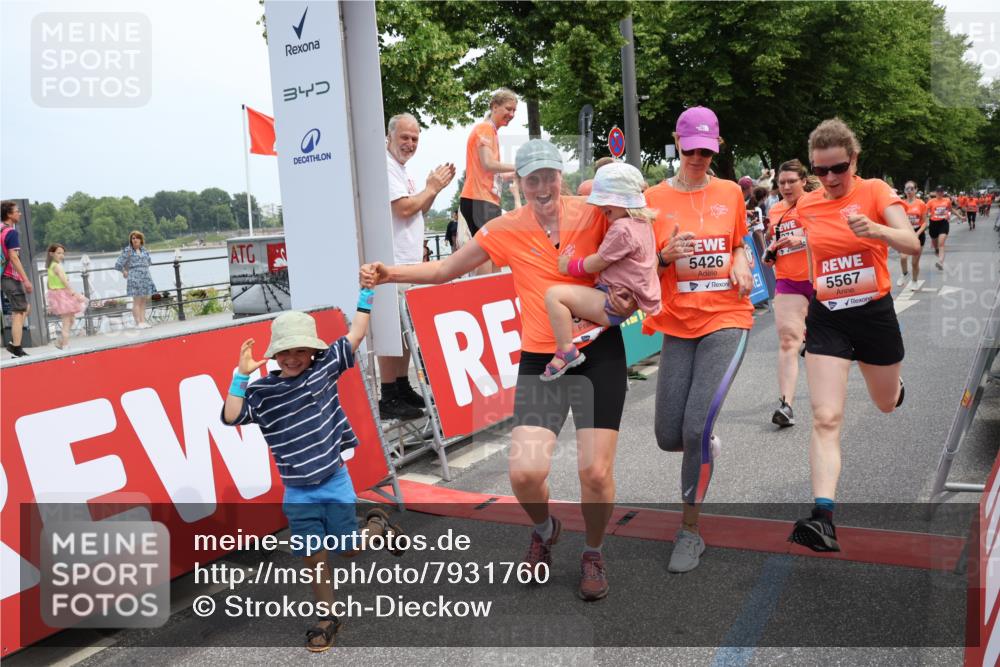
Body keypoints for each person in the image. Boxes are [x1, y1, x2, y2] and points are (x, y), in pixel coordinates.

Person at [361, 139, 634, 602]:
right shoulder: (505, 229)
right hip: (542, 359)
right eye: (533, 178)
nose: (543, 186)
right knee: (525, 474)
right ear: (519, 183)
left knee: (595, 471)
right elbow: (446, 270)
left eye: (549, 175)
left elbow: (643, 237)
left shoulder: (592, 212)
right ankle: (546, 530)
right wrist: (390, 273)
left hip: (598, 353)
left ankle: (593, 550)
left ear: (560, 177)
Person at [221, 298, 406, 651]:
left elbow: (356, 334)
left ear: (312, 351)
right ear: (274, 354)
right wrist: (241, 375)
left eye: (301, 351)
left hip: (334, 481)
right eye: (285, 352)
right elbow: (231, 417)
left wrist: (366, 296)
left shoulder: (323, 369)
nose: (293, 358)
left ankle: (377, 527)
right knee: (315, 558)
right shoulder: (262, 392)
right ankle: (327, 617)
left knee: (349, 550)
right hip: (298, 493)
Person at [789, 118, 919, 552]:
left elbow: (912, 243)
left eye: (837, 169)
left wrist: (877, 230)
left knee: (884, 403)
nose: (829, 179)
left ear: (854, 160)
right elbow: (811, 255)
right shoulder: (807, 205)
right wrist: (810, 301)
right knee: (826, 417)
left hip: (873, 315)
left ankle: (895, 386)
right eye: (820, 171)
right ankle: (823, 517)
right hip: (828, 317)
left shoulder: (876, 191)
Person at [643, 106, 754, 573]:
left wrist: (742, 259)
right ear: (677, 142)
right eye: (691, 150)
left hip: (727, 318)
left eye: (707, 151)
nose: (698, 158)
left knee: (693, 430)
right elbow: (640, 268)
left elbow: (737, 243)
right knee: (670, 434)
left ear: (717, 148)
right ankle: (703, 444)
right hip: (676, 323)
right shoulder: (652, 198)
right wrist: (665, 257)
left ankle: (689, 530)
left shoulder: (730, 192)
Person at [542, 162, 661, 380]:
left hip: (610, 301)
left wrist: (569, 265)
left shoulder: (622, 228)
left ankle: (566, 350)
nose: (600, 207)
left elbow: (598, 262)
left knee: (554, 296)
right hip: (621, 301)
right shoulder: (643, 224)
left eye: (606, 201)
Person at [382, 112, 456, 421]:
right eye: (405, 137)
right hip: (394, 260)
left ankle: (401, 385)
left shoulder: (401, 169)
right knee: (393, 328)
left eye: (414, 138)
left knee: (405, 328)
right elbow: (404, 208)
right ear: (389, 137)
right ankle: (388, 393)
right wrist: (431, 187)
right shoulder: (384, 166)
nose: (410, 143)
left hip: (409, 259)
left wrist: (433, 189)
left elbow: (420, 205)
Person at [762, 160, 812, 427]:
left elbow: (833, 235)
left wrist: (803, 241)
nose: (786, 186)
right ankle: (786, 406)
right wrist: (771, 252)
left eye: (792, 181)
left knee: (839, 339)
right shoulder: (776, 210)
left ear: (803, 181)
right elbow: (776, 239)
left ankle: (883, 369)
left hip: (820, 279)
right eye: (782, 182)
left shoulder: (818, 202)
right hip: (788, 281)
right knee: (787, 341)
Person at [458, 88, 517, 238]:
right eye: (508, 109)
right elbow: (488, 164)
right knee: (488, 250)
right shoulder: (485, 128)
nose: (512, 114)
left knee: (489, 251)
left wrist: (516, 174)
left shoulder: (490, 130)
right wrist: (520, 166)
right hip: (479, 199)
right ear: (495, 106)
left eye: (514, 111)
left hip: (482, 199)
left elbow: (489, 173)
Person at [1, 201, 32, 357]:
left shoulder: (1, 230)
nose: (19, 213)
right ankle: (17, 348)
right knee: (19, 311)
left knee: (25, 308)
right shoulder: (11, 233)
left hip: (3, 277)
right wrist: (25, 279)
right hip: (10, 276)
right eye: (16, 211)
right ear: (9, 214)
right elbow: (14, 257)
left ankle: (14, 343)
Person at [44, 243, 88, 350]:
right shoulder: (57, 266)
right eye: (58, 253)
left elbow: (49, 283)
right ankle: (65, 345)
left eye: (63, 253)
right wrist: (73, 292)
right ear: (51, 254)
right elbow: (64, 281)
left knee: (71, 320)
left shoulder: (51, 266)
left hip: (58, 294)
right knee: (67, 321)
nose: (61, 255)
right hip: (62, 294)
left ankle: (60, 341)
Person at [114, 231, 156, 329]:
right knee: (137, 301)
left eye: (137, 238)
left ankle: (143, 321)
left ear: (141, 239)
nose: (135, 240)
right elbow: (118, 264)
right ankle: (138, 323)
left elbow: (149, 262)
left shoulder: (144, 250)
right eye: (133, 238)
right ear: (131, 240)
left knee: (143, 301)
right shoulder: (128, 250)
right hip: (134, 278)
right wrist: (124, 271)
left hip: (145, 277)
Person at [898, 181, 928, 288]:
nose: (909, 191)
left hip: (918, 233)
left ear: (916, 190)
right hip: (906, 233)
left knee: (914, 263)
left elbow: (925, 223)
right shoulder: (901, 203)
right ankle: (905, 274)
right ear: (905, 191)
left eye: (911, 188)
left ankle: (914, 281)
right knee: (903, 257)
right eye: (907, 189)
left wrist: (917, 234)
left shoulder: (921, 203)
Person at [926, 186, 953, 271]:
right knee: (935, 242)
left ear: (943, 192)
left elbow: (950, 210)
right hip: (933, 224)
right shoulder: (931, 202)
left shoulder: (947, 200)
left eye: (941, 191)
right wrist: (928, 215)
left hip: (943, 223)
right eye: (938, 191)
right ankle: (936, 249)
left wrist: (960, 216)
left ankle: (940, 262)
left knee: (941, 243)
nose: (940, 193)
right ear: (935, 192)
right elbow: (925, 212)